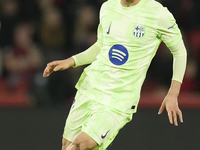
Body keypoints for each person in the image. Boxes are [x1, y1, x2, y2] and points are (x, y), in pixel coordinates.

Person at [43, 0, 187, 150]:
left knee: (82, 143)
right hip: (90, 87)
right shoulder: (108, 7)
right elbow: (102, 46)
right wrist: (72, 61)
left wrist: (173, 93)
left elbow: (180, 51)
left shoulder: (158, 14)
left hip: (119, 99)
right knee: (67, 145)